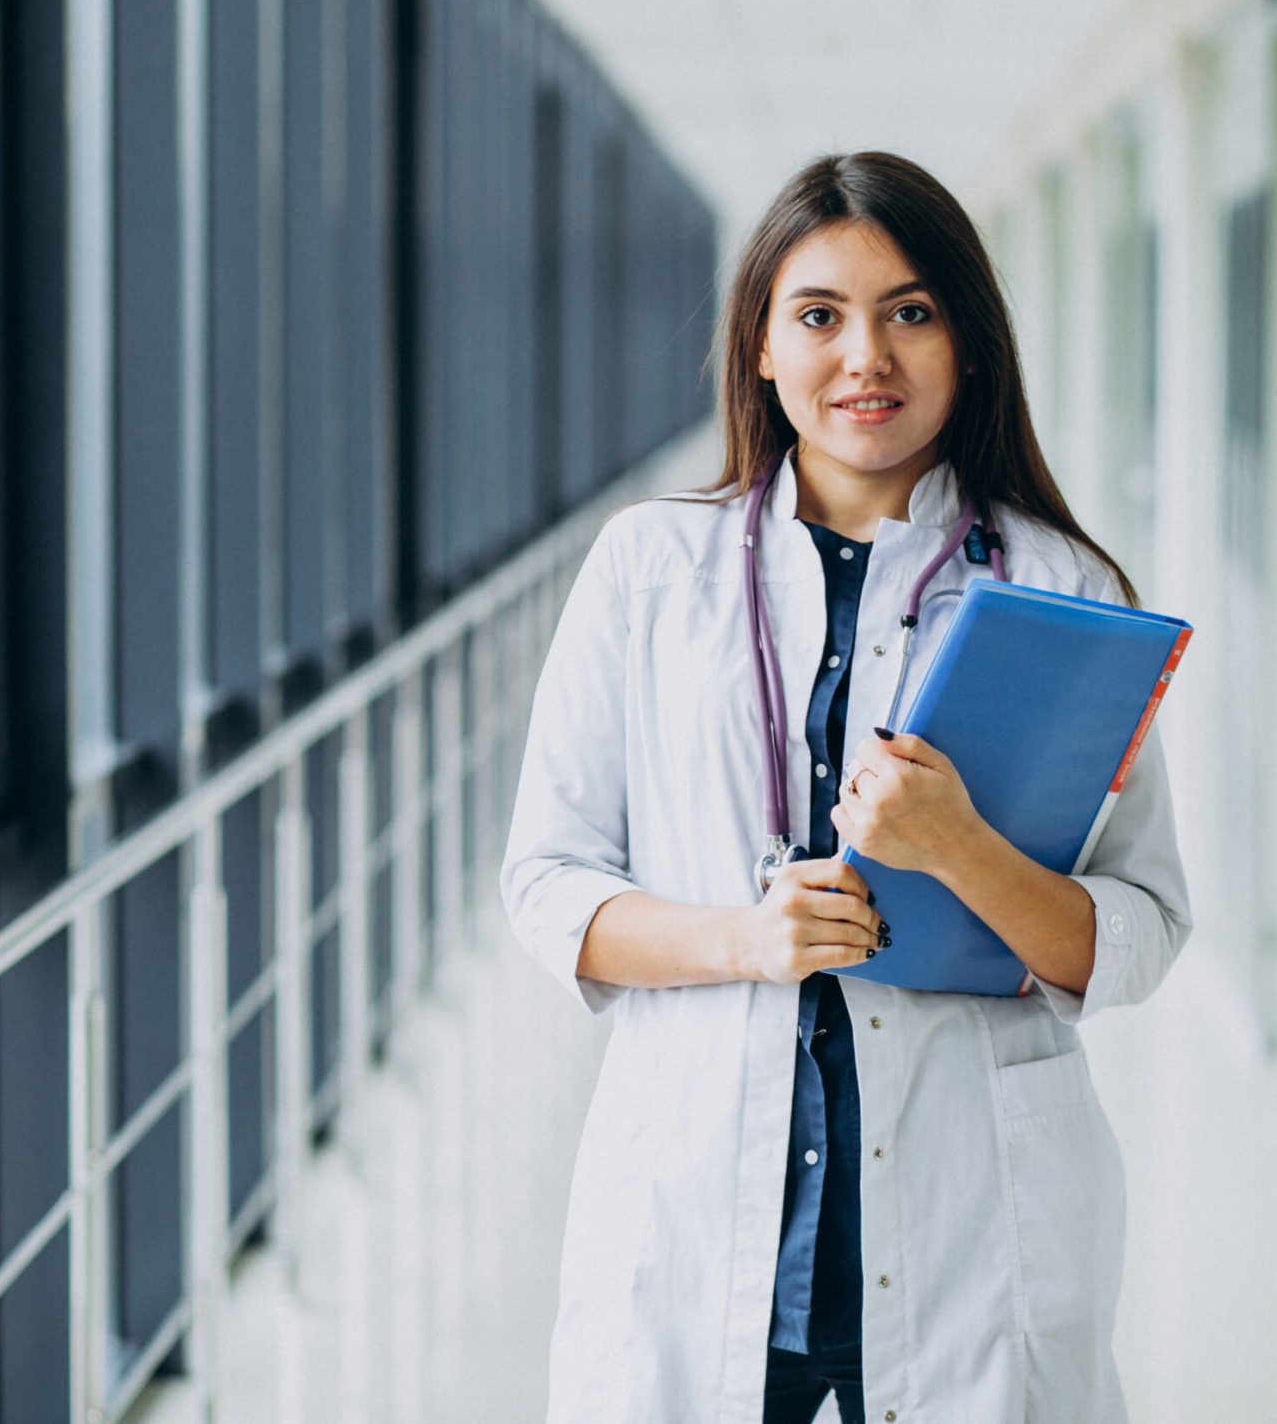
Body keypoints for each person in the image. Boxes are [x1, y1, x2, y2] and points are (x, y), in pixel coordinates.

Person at [499, 150, 1191, 1424]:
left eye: (910, 312)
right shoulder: (650, 572)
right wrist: (747, 939)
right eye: (819, 316)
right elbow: (547, 885)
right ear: (761, 348)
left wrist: (959, 848)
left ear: (968, 345)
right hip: (701, 1225)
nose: (864, 355)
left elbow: (1139, 932)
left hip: (970, 1225)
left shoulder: (1061, 592)